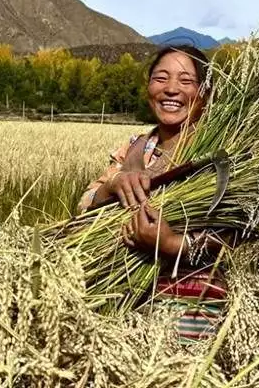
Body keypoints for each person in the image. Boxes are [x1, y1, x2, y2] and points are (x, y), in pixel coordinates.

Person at [77, 45, 231, 344]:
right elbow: (85, 206)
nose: (171, 89)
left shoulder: (219, 152)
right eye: (161, 78)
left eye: (186, 81)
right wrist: (111, 187)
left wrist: (172, 244)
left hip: (194, 306)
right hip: (123, 301)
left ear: (205, 92)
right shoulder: (134, 147)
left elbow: (235, 236)